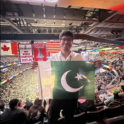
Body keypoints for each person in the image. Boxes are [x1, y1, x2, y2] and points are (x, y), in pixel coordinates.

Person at [31, 31, 102, 124]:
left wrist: (96, 66)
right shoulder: (54, 57)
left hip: (71, 95)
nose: (66, 42)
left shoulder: (77, 57)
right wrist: (35, 66)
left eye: (69, 39)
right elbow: (43, 68)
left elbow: (87, 68)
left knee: (69, 119)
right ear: (60, 41)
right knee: (52, 119)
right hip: (57, 93)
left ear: (72, 42)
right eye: (64, 39)